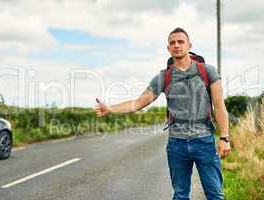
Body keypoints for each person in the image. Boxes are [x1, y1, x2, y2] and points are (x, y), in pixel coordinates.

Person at [94, 27, 231, 200]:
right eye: (172, 43)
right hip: (177, 144)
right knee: (180, 195)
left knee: (215, 195)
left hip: (204, 141)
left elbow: (219, 106)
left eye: (181, 42)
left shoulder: (207, 71)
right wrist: (110, 108)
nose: (177, 45)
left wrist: (224, 137)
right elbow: (137, 103)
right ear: (168, 48)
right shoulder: (163, 77)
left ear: (189, 45)